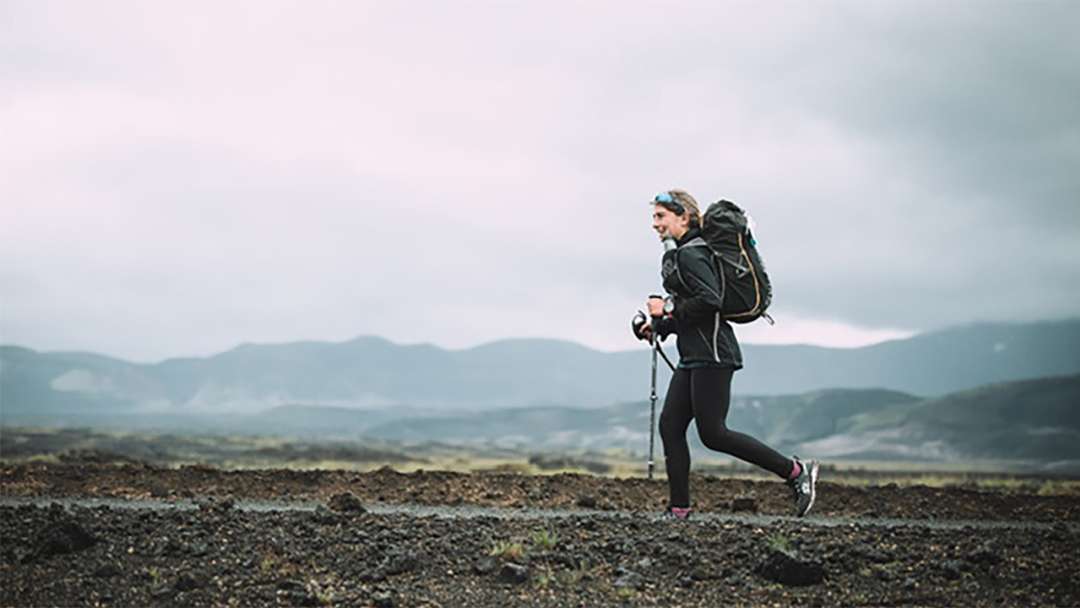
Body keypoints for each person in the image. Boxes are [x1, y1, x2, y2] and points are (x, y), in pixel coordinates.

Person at [633, 189, 818, 519]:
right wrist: (660, 326)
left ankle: (795, 471)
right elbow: (694, 309)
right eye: (654, 217)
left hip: (714, 354)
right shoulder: (684, 252)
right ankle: (679, 510)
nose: (655, 224)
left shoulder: (693, 253)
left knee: (714, 434)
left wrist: (667, 311)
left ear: (683, 217)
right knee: (671, 426)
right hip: (694, 355)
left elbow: (710, 301)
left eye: (661, 216)